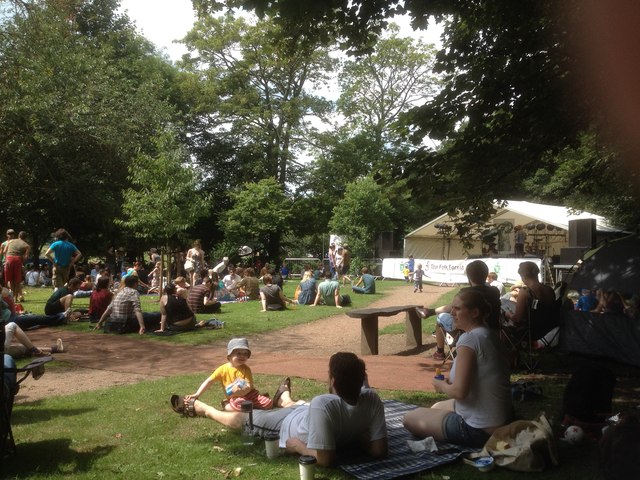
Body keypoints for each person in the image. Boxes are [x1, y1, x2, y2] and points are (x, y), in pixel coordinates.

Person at [170, 352, 388, 467]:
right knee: (301, 406)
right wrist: (359, 436)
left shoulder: (324, 403)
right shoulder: (372, 398)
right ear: (362, 380)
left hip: (286, 427)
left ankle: (203, 409)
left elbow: (325, 460)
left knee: (247, 419)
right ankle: (283, 398)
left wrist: (299, 448)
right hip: (305, 413)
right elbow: (379, 450)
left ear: (332, 380)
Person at [403, 289, 513, 448]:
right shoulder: (488, 333)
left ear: (475, 312)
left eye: (458, 309)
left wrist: (441, 385)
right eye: (452, 308)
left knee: (409, 418)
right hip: (501, 419)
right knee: (436, 407)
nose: (452, 313)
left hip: (480, 430)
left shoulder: (469, 339)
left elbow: (460, 392)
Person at [178, 338, 300, 413]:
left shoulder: (246, 369)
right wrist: (197, 394)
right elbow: (209, 381)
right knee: (237, 405)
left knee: (268, 404)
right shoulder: (222, 369)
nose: (242, 356)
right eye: (238, 353)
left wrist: (242, 390)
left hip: (250, 394)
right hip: (236, 398)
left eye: (245, 354)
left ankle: (249, 407)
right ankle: (229, 404)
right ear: (229, 356)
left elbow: (248, 386)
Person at [417, 260, 501, 361]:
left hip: (469, 330)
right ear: (485, 275)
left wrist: (432, 311)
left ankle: (440, 352)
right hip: (494, 330)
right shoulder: (495, 291)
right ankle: (429, 312)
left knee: (441, 319)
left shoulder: (466, 292)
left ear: (469, 277)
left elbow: (453, 308)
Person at [504, 261, 560, 347]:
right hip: (547, 329)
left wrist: (508, 314)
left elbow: (517, 319)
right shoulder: (549, 290)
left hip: (529, 332)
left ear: (523, 276)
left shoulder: (525, 292)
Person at [94, 275, 161, 334]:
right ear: (135, 284)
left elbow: (109, 309)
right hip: (125, 323)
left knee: (147, 314)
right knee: (156, 315)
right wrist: (142, 327)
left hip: (113, 321)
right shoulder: (133, 292)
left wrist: (99, 323)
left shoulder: (119, 292)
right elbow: (137, 310)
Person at [3, 230, 30, 302]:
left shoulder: (10, 241)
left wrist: (6, 259)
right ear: (25, 238)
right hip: (17, 260)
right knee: (17, 281)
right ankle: (15, 298)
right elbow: (26, 257)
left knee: (10, 280)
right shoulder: (27, 245)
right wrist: (21, 261)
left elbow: (4, 252)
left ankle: (11, 295)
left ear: (18, 236)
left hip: (8, 259)